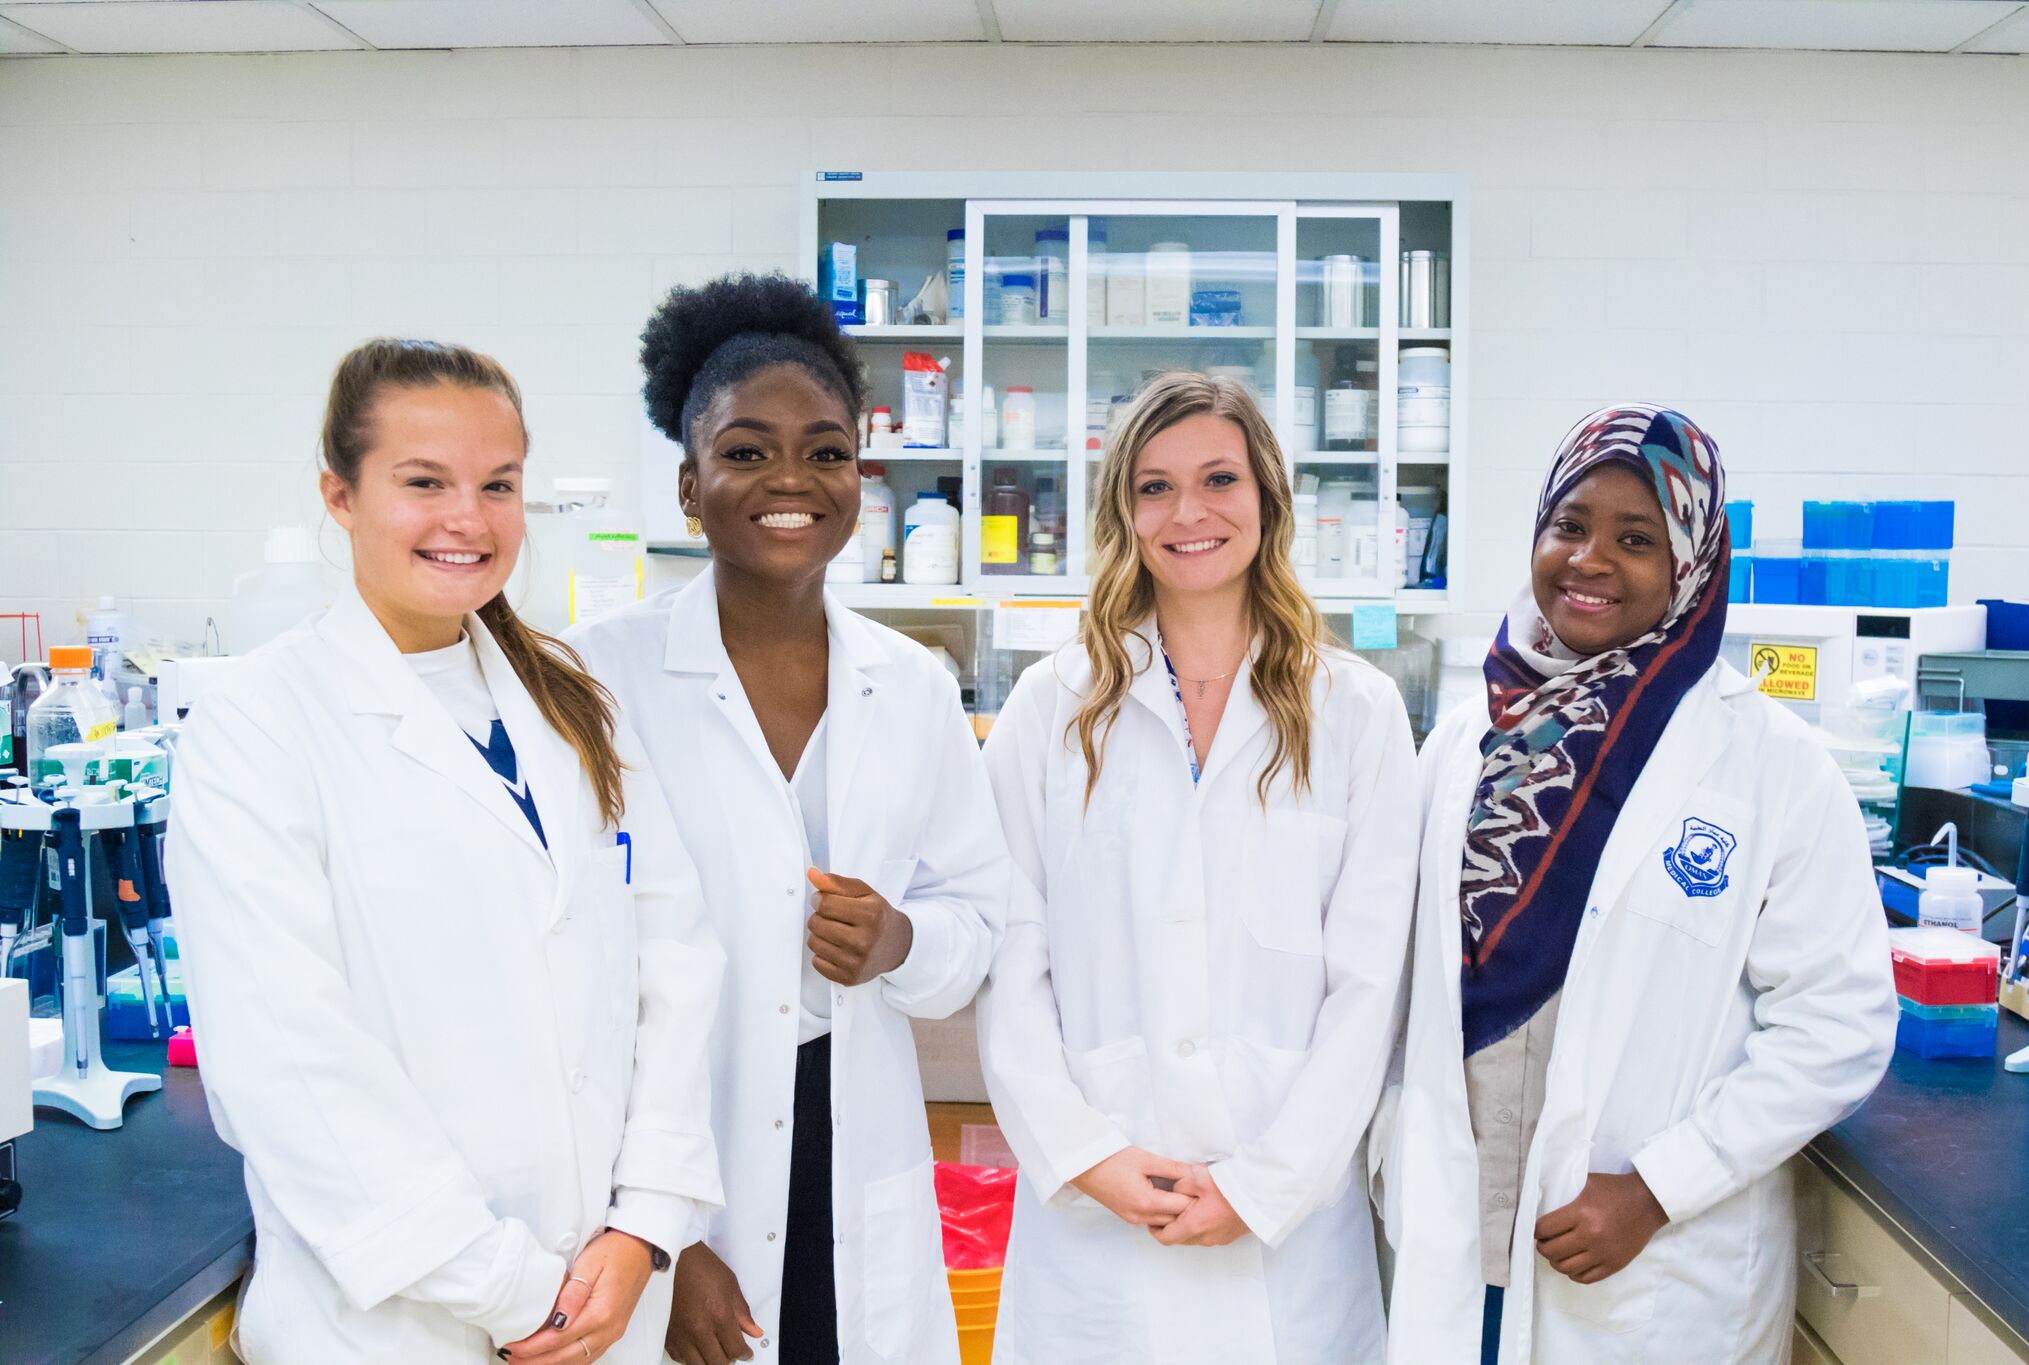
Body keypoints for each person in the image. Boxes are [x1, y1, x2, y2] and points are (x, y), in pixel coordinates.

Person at [166, 340, 724, 1363]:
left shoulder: (570, 703)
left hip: (604, 1299)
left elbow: (676, 962)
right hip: (400, 1321)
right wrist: (510, 1290)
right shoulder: (258, 723)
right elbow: (285, 1058)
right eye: (423, 482)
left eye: (498, 485)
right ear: (340, 495)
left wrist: (646, 1223)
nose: (468, 518)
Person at [1377, 404, 1897, 1365]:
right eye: (1569, 525)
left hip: (1636, 1260)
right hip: (1458, 1225)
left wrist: (1658, 1187)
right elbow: (1405, 985)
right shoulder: (1464, 744)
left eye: (1637, 538)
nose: (1590, 559)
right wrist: (1391, 1159)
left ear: (1692, 562)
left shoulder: (1772, 765)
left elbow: (1839, 1023)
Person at [568, 274, 1007, 1365]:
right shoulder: (594, 680)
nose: (790, 481)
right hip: (670, 1148)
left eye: (825, 451)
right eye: (746, 450)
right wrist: (662, 1238)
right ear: (688, 484)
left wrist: (901, 940)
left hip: (849, 1131)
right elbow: (564, 980)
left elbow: (978, 922)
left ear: (860, 475)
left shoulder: (910, 686)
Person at [975, 371, 1420, 1363]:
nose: (1187, 513)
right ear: (1120, 514)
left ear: (1266, 497)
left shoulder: (1354, 711)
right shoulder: (1052, 710)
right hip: (1098, 1219)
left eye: (1218, 478)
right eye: (1152, 487)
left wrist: (1267, 1182)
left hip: (1289, 1223)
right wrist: (1086, 1156)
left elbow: (1371, 983)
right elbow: (1012, 963)